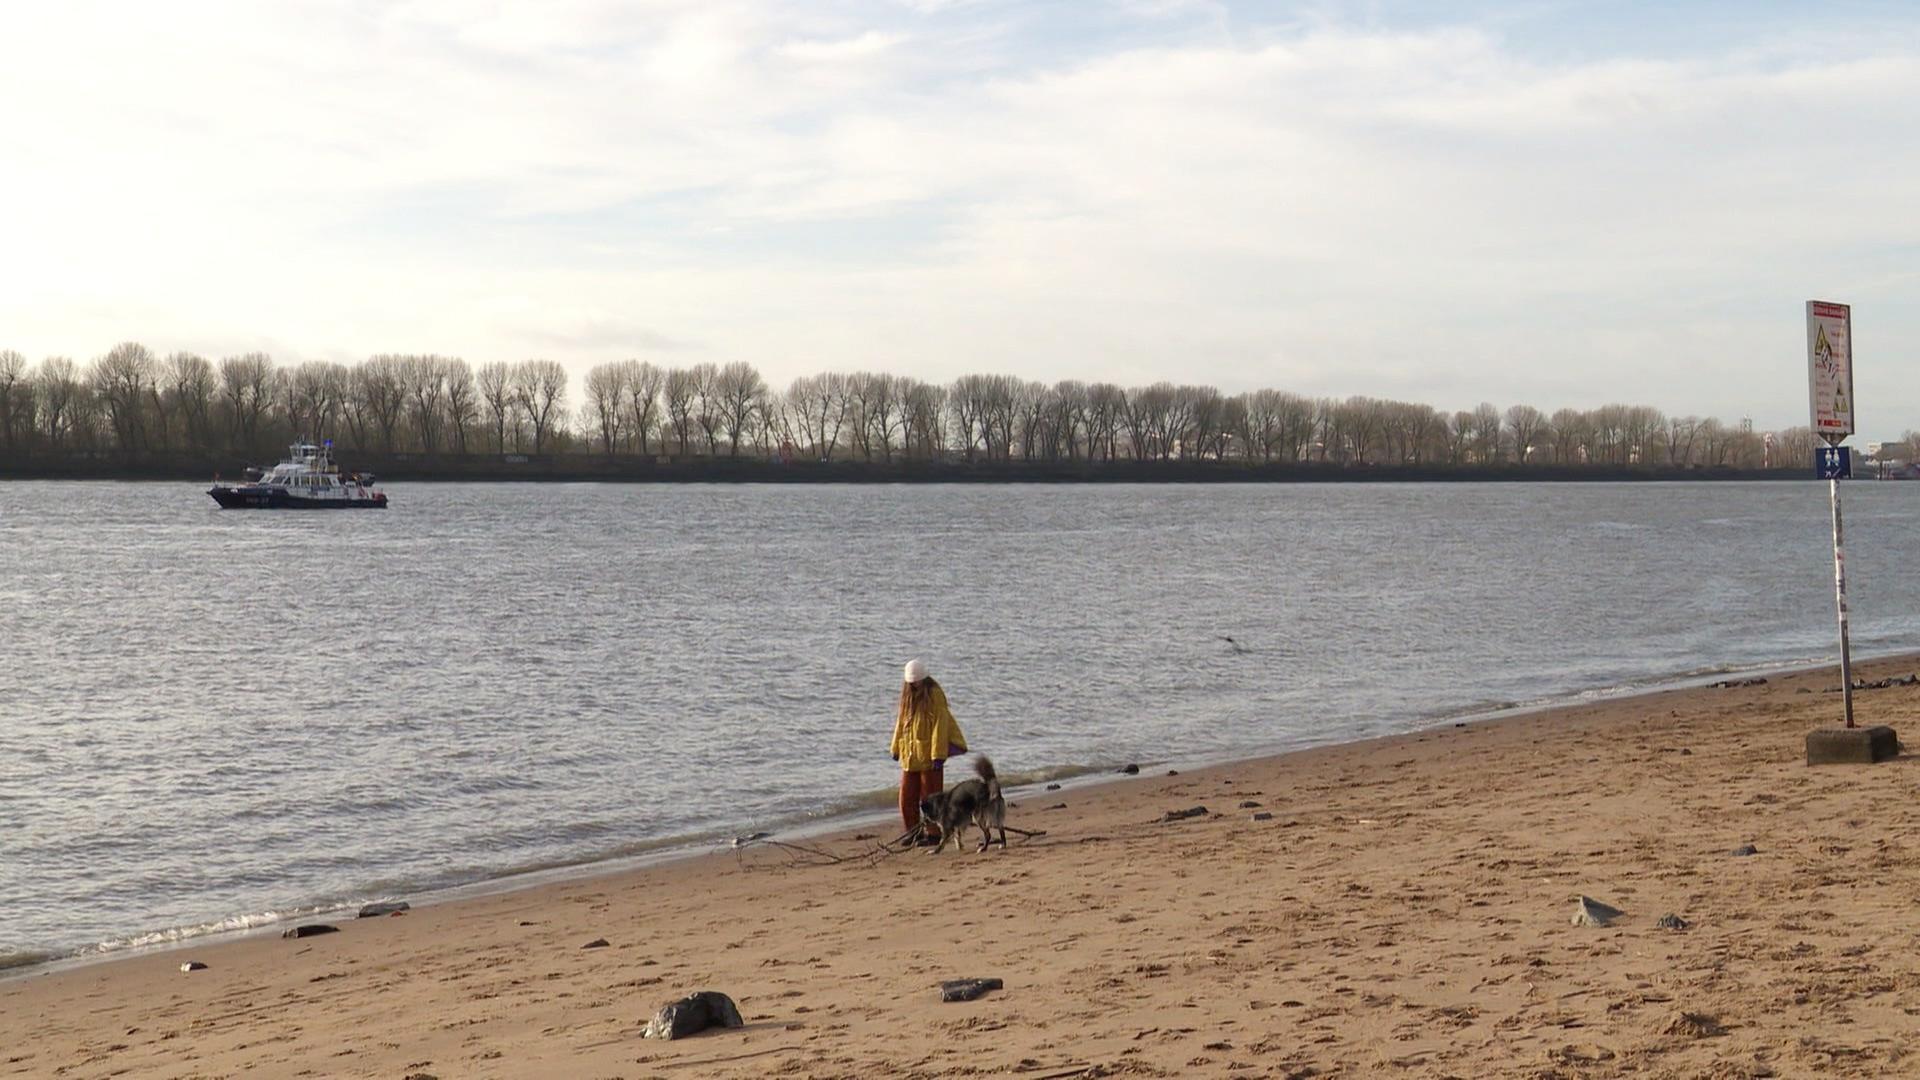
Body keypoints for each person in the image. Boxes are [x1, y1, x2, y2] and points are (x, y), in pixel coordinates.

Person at [890, 658, 968, 845]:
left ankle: (933, 834)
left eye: (916, 681)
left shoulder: (935, 695)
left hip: (929, 756)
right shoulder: (907, 696)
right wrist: (895, 747)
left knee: (930, 797)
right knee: (906, 797)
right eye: (911, 681)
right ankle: (913, 831)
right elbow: (901, 723)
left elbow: (940, 726)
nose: (914, 684)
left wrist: (938, 755)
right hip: (910, 756)